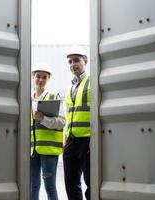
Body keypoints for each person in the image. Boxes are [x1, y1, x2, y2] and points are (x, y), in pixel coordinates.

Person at [30, 62, 66, 200]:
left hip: (49, 150)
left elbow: (62, 122)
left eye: (44, 77)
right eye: (38, 76)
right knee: (33, 185)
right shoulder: (27, 99)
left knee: (49, 186)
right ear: (33, 77)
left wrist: (43, 118)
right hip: (32, 150)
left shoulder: (53, 97)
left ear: (48, 79)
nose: (40, 80)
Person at [63, 46, 91, 200]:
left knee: (91, 182)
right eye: (70, 61)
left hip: (87, 139)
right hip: (71, 140)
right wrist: (65, 138)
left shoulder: (92, 81)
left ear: (85, 61)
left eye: (76, 60)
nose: (73, 64)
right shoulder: (70, 86)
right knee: (71, 183)